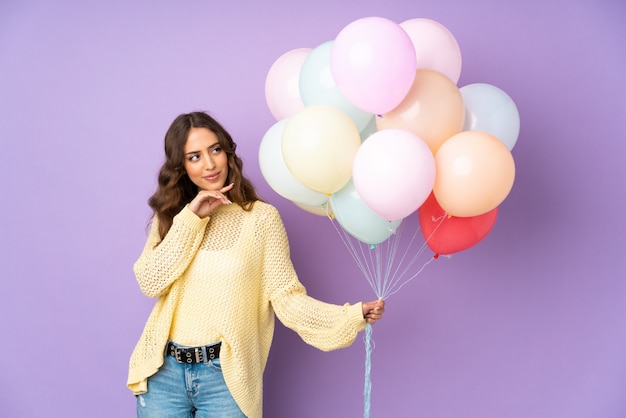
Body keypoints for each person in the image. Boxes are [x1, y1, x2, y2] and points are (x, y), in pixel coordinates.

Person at [127, 111, 385, 418]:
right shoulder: (173, 217)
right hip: (163, 373)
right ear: (181, 167)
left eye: (215, 150)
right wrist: (192, 217)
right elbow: (150, 281)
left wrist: (348, 316)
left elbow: (287, 299)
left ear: (228, 152)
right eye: (194, 157)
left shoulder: (261, 219)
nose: (209, 164)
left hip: (225, 377)